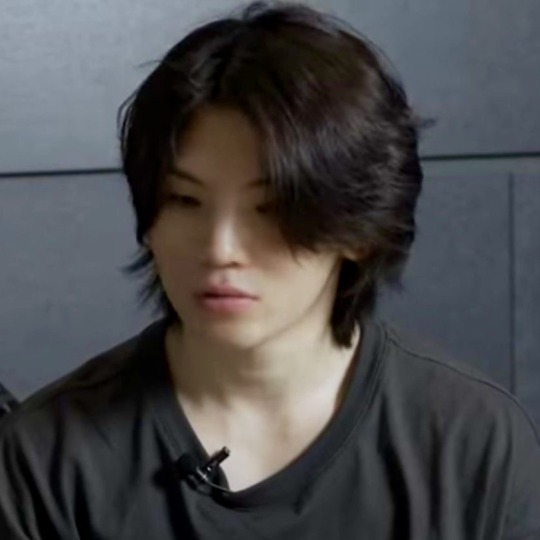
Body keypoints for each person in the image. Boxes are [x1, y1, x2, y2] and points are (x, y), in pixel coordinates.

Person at [1, 1, 539, 538]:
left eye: (272, 208)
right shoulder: (46, 457)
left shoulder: (470, 442)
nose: (221, 249)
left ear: (358, 230)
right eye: (185, 201)